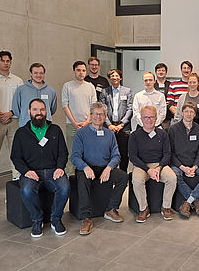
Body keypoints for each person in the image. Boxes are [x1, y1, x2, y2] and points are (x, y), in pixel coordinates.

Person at [10, 99, 70, 238]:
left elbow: (63, 153)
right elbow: (16, 157)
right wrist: (26, 171)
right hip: (31, 172)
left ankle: (56, 219)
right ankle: (37, 220)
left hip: (53, 171)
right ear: (29, 112)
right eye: (35, 110)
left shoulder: (55, 130)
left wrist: (60, 167)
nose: (39, 113)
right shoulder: (21, 133)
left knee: (65, 187)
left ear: (46, 112)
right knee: (26, 190)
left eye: (42, 110)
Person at [71, 102, 128, 235]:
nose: (98, 117)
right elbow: (75, 157)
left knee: (123, 177)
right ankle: (86, 218)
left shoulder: (110, 134)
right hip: (86, 168)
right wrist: (85, 167)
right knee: (81, 178)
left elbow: (116, 155)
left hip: (104, 167)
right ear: (90, 116)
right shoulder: (81, 134)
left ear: (105, 116)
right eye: (96, 114)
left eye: (101, 114)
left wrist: (109, 168)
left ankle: (111, 209)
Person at [129, 106, 177, 222]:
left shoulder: (163, 134)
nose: (149, 120)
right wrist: (148, 170)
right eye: (146, 117)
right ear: (141, 118)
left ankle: (166, 207)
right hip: (141, 166)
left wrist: (159, 168)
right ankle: (143, 208)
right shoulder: (134, 135)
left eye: (151, 117)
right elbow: (133, 156)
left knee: (172, 178)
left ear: (156, 118)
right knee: (137, 180)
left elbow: (167, 154)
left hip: (159, 165)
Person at [0, 50, 24, 190]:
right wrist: (0, 113)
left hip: (14, 119)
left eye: (8, 61)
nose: (6, 63)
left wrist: (11, 112)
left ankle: (16, 175)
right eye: (3, 61)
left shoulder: (18, 80)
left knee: (16, 151)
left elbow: (21, 100)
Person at [169, 103, 199, 219]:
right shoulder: (173, 129)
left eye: (191, 112)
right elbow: (170, 153)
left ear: (195, 114)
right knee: (175, 175)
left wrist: (195, 167)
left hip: (194, 164)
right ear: (182, 113)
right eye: (186, 111)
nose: (189, 114)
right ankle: (196, 201)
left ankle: (188, 202)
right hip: (178, 164)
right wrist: (182, 167)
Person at [62, 61, 97, 176]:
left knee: (88, 152)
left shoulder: (90, 86)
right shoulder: (67, 86)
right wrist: (74, 123)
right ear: (74, 71)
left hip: (88, 125)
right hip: (72, 125)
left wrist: (87, 122)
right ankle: (69, 177)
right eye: (78, 70)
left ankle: (86, 177)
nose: (81, 73)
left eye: (83, 70)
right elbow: (65, 105)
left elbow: (93, 106)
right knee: (72, 152)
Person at [99, 69, 133, 172]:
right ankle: (111, 175)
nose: (114, 78)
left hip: (123, 128)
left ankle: (122, 175)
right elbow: (102, 109)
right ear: (109, 79)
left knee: (123, 153)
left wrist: (122, 124)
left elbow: (130, 109)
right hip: (109, 127)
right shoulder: (104, 91)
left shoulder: (127, 91)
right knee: (109, 153)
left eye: (117, 76)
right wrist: (109, 125)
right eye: (112, 76)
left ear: (120, 78)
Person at [12, 63, 57, 127]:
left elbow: (52, 109)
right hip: (26, 126)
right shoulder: (21, 90)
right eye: (36, 73)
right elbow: (16, 109)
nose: (38, 75)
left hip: (45, 127)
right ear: (31, 74)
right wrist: (25, 117)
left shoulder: (51, 91)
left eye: (41, 73)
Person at [172, 73, 199, 141]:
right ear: (188, 83)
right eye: (190, 82)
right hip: (182, 131)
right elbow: (177, 116)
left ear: (198, 83)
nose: (192, 84)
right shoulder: (182, 98)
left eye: (194, 82)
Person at [153, 63, 172, 130]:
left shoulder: (171, 85)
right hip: (154, 116)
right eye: (159, 70)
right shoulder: (152, 85)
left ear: (166, 72)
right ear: (156, 72)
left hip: (167, 117)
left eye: (163, 70)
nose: (161, 72)